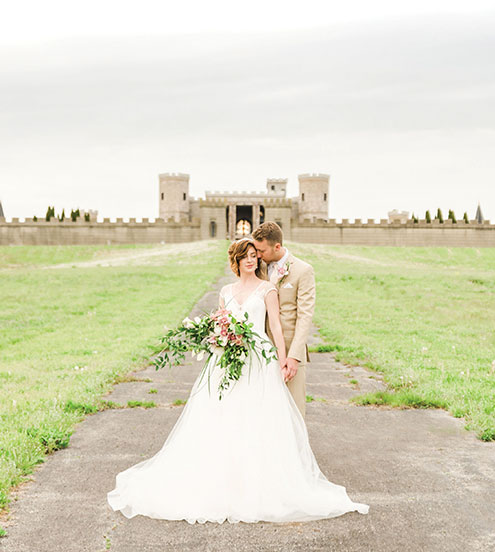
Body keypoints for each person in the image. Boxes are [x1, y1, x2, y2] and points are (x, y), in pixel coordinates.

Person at [107, 238, 369, 523]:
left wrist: (284, 359)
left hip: (259, 359)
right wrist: (218, 338)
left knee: (258, 418)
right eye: (245, 256)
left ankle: (260, 480)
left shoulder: (267, 289)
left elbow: (276, 328)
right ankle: (222, 477)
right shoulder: (226, 291)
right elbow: (221, 320)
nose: (251, 260)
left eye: (254, 255)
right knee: (222, 416)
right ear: (236, 260)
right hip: (228, 360)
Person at [251, 221, 314, 417]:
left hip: (289, 351)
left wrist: (293, 357)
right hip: (260, 351)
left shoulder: (303, 270)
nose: (258, 255)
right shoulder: (256, 267)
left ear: (277, 247)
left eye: (261, 250)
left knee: (293, 410)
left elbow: (305, 316)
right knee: (264, 409)